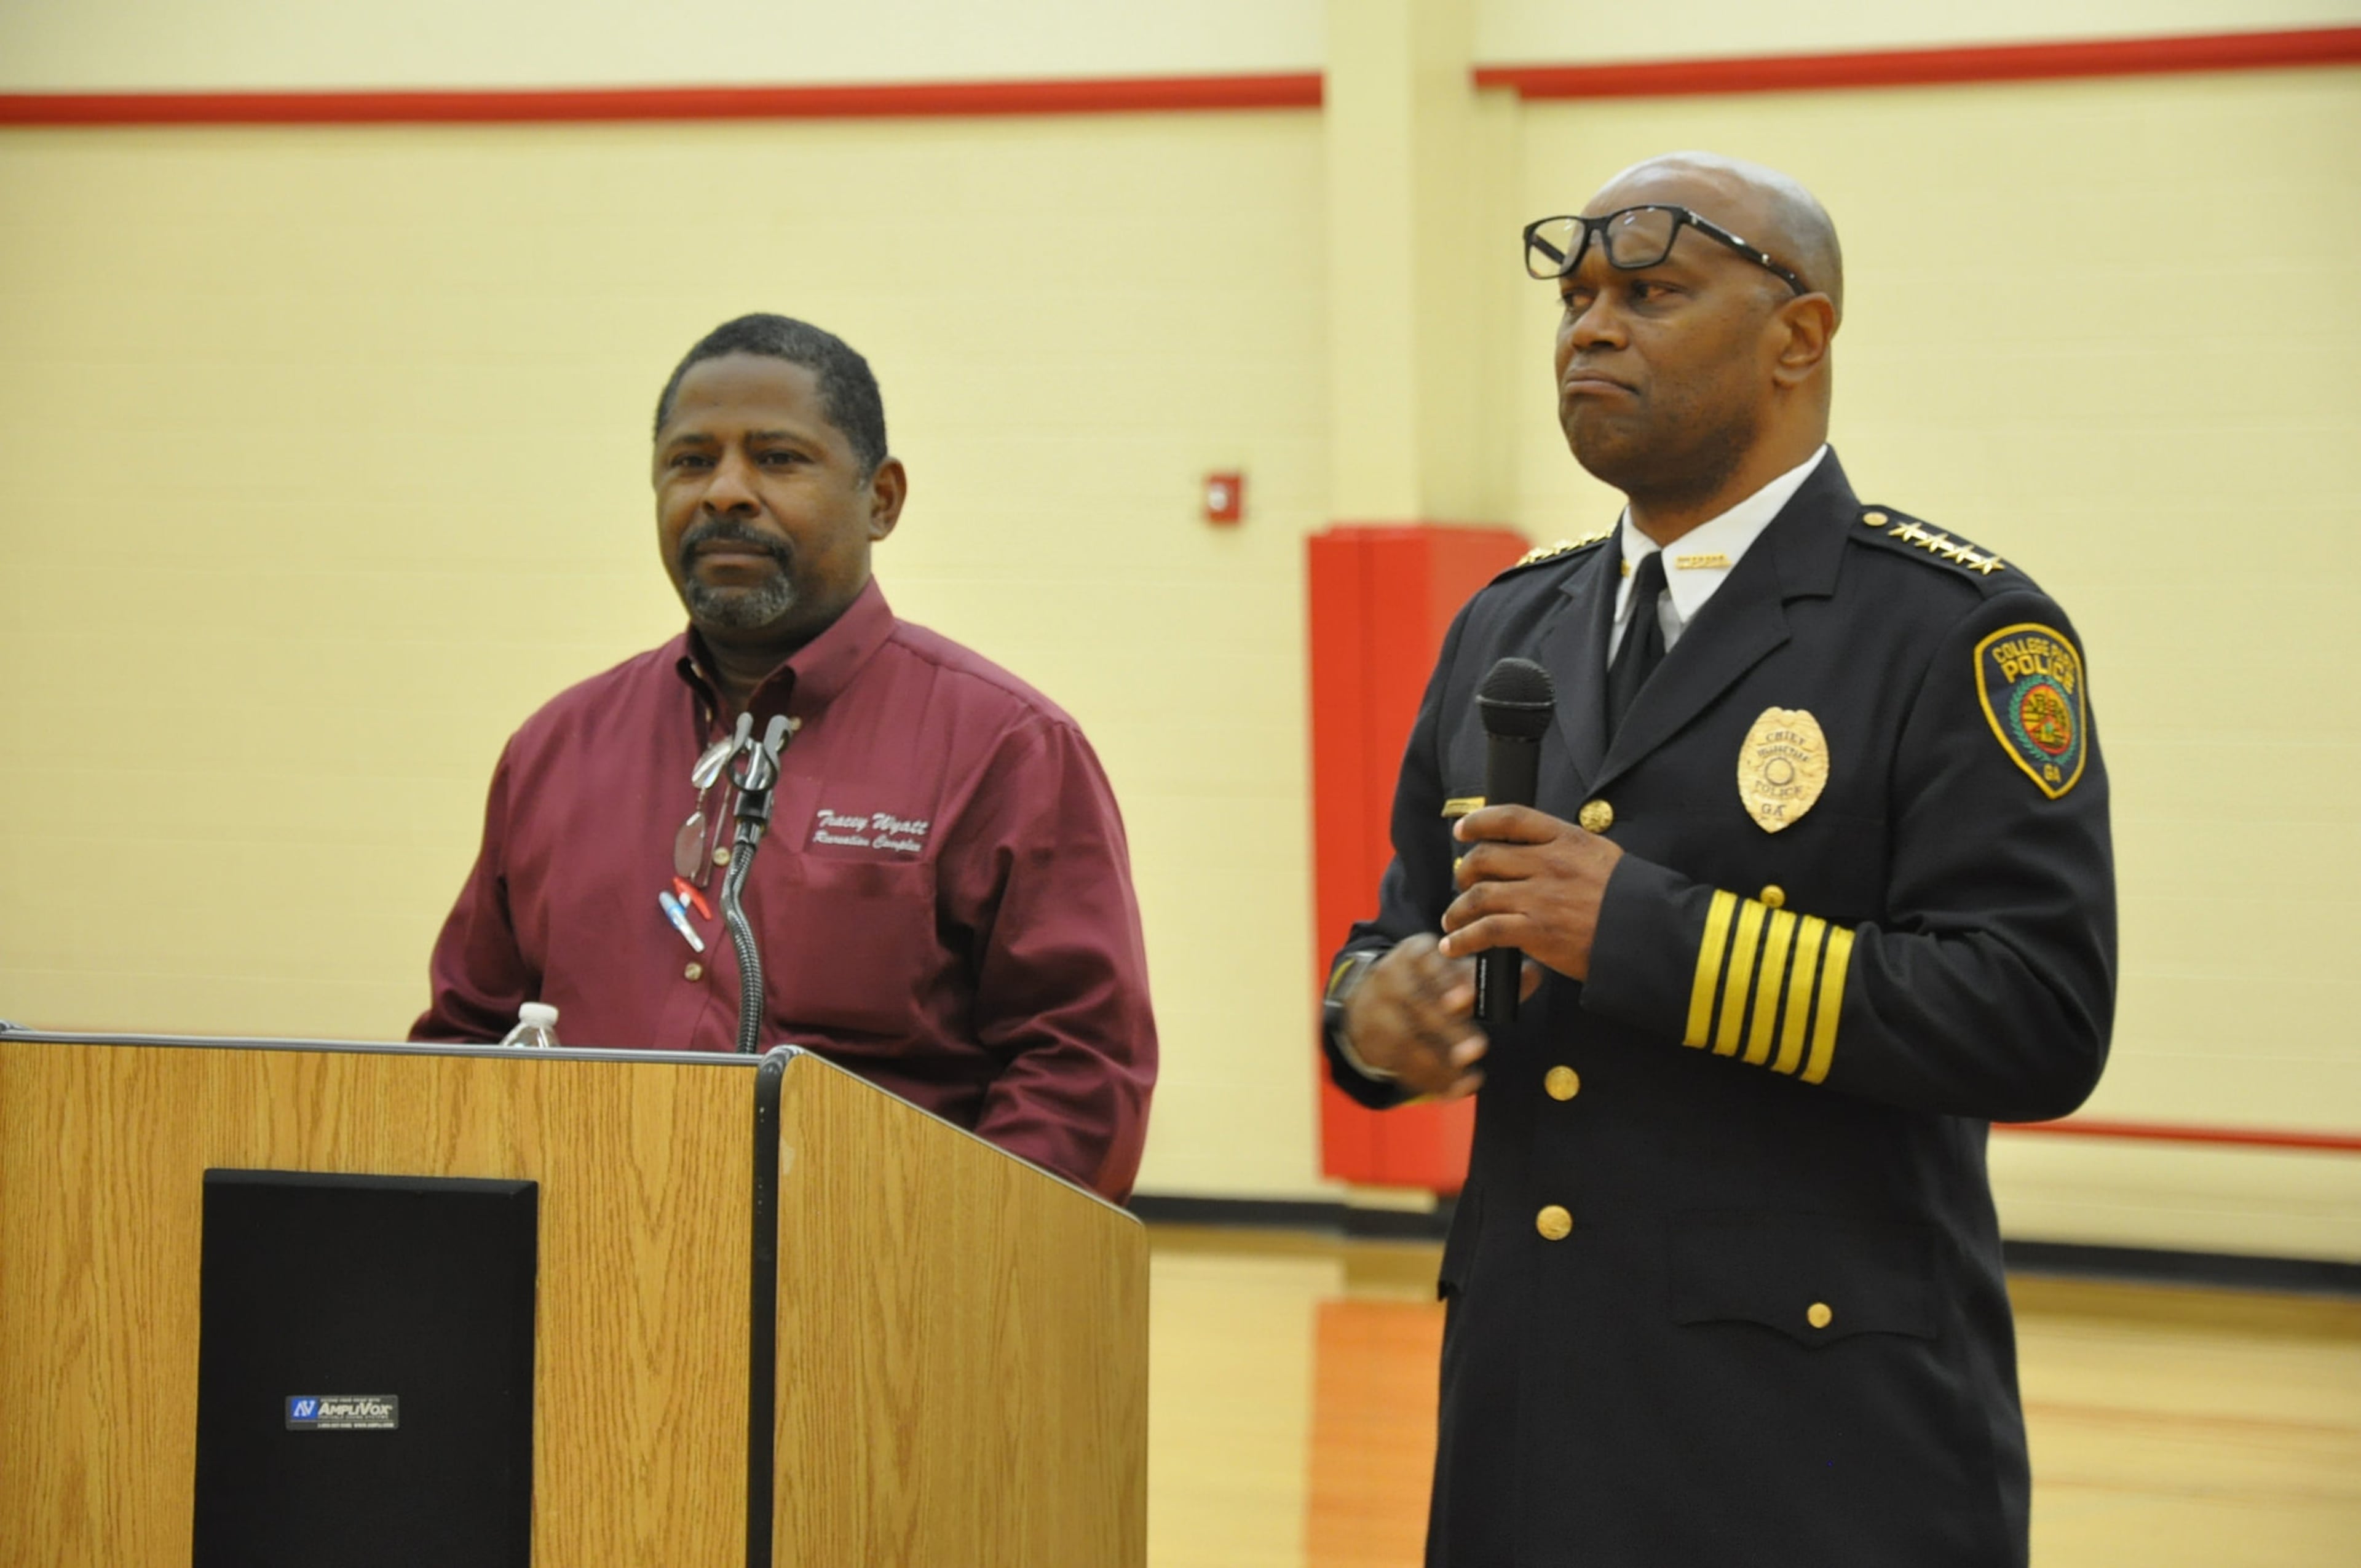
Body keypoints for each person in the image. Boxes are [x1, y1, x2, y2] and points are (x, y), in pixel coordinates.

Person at [1319, 154, 2114, 1564]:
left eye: (1651, 292)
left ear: (1798, 338)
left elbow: (2036, 1014)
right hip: (1529, 1406)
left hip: (1812, 1432)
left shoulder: (1954, 632)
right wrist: (1376, 1016)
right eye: (1576, 299)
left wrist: (1638, 930)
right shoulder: (1508, 630)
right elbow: (1398, 929)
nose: (1589, 329)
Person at [414, 314, 1157, 1202]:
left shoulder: (1007, 750)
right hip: (587, 1284)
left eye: (778, 458)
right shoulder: (556, 749)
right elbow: (464, 1036)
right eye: (691, 461)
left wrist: (950, 1269)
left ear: (880, 499)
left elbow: (1080, 1066)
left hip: (876, 1299)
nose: (725, 491)